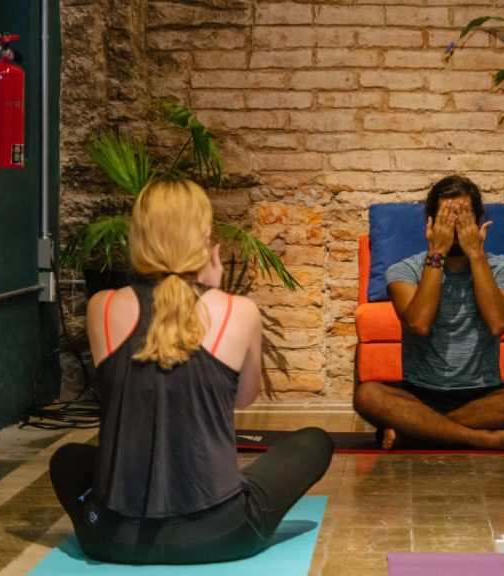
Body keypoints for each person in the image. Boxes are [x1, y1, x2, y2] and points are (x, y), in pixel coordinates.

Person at [48, 179, 334, 564]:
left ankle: (117, 513)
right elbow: (244, 398)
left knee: (67, 459)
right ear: (204, 237)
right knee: (314, 441)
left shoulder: (102, 306)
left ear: (140, 236)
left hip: (111, 536)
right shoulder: (239, 311)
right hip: (221, 534)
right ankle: (224, 496)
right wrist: (210, 291)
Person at [354, 176, 504, 450]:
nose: (455, 226)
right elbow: (419, 323)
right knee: (368, 396)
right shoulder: (404, 270)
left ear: (478, 221)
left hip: (482, 393)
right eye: (446, 217)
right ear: (430, 222)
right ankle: (484, 438)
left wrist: (476, 254)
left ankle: (418, 429)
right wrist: (437, 252)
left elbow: (498, 323)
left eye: (463, 216)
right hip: (420, 392)